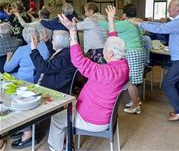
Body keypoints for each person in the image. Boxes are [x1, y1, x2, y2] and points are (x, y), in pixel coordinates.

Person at [46, 8, 129, 151]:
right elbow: (113, 41)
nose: (103, 50)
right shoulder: (123, 64)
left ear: (108, 53)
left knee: (57, 117)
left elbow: (79, 61)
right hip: (105, 114)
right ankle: (66, 142)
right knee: (66, 108)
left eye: (104, 48)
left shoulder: (105, 72)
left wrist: (73, 32)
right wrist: (110, 20)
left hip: (92, 118)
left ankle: (56, 148)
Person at [129, 0, 179, 121]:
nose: (168, 8)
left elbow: (160, 29)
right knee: (177, 84)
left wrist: (139, 24)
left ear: (177, 7)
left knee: (168, 83)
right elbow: (162, 25)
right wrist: (142, 21)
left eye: (170, 6)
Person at [98, 4, 145, 114]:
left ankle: (136, 106)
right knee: (135, 79)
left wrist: (99, 19)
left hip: (132, 52)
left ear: (124, 14)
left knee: (131, 81)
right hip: (139, 52)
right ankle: (136, 100)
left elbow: (109, 26)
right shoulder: (136, 23)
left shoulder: (125, 24)